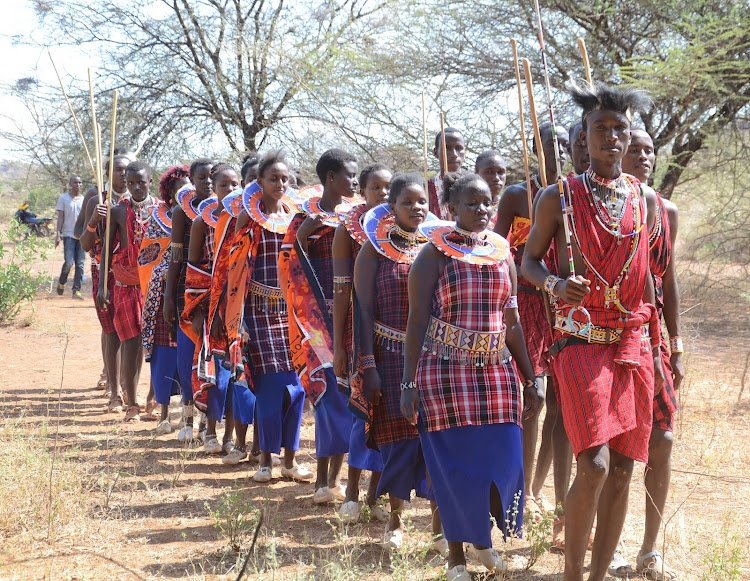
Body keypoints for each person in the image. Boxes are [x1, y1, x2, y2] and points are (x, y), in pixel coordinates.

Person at [522, 82, 666, 581]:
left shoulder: (646, 200)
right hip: (580, 341)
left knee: (624, 468)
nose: (609, 138)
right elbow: (529, 262)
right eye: (599, 129)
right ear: (584, 136)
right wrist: (556, 283)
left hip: (631, 343)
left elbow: (652, 276)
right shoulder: (556, 197)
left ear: (629, 138)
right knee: (596, 466)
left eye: (618, 130)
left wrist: (667, 342)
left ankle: (599, 576)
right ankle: (571, 576)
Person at [401, 173, 543, 580]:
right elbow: (415, 322)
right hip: (445, 373)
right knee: (455, 468)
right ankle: (457, 558)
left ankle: (484, 540)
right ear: (451, 209)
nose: (481, 211)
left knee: (502, 458)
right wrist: (408, 385)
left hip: (496, 372)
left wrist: (530, 378)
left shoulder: (502, 253)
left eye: (487, 203)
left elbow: (512, 321)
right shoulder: (433, 256)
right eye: (471, 204)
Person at [607, 129, 683, 580]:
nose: (642, 156)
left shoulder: (664, 210)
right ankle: (607, 547)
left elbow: (668, 282)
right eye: (634, 149)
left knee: (664, 439)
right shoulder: (597, 206)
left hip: (651, 337)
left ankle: (649, 549)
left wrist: (676, 345)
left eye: (649, 150)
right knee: (613, 453)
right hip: (607, 336)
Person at [354, 173, 437, 550]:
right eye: (408, 202)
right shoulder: (373, 249)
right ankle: (396, 521)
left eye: (422, 202)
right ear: (392, 207)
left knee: (436, 440)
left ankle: (440, 527)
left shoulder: (440, 247)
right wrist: (367, 364)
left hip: (434, 358)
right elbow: (363, 310)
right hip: (388, 356)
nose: (416, 208)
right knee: (399, 442)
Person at [493, 123, 568, 521]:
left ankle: (538, 489)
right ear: (534, 150)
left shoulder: (574, 195)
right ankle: (519, 490)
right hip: (524, 305)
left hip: (565, 307)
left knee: (559, 402)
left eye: (559, 146)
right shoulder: (517, 195)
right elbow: (495, 250)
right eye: (545, 146)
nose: (554, 153)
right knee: (532, 398)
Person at [226, 150, 313, 483]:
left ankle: (290, 461)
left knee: (298, 387)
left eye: (284, 179)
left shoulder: (295, 217)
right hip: (257, 314)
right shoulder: (247, 218)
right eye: (273, 178)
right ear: (259, 182)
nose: (280, 183)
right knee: (270, 386)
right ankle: (266, 461)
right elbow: (236, 271)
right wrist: (240, 318)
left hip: (290, 313)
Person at [278, 148, 358, 504]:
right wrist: (302, 239)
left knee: (344, 394)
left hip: (347, 317)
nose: (354, 182)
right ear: (329, 179)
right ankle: (321, 482)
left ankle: (333, 480)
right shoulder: (303, 218)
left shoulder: (358, 219)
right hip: (313, 321)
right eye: (348, 176)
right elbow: (286, 266)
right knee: (327, 394)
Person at [332, 163, 391, 524]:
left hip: (399, 331)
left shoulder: (408, 230)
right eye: (375, 188)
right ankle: (352, 491)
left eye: (388, 189)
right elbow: (341, 292)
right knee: (361, 407)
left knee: (392, 412)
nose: (382, 195)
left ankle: (376, 495)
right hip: (359, 330)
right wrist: (339, 345)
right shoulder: (348, 231)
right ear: (363, 191)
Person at [181, 163, 239, 455]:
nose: (230, 190)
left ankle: (231, 434)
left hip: (239, 304)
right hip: (209, 305)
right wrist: (203, 311)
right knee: (215, 371)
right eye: (224, 186)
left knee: (237, 371)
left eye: (234, 185)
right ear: (213, 189)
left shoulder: (245, 219)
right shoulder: (202, 222)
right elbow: (193, 271)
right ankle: (212, 431)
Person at [95, 160, 159, 421]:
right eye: (131, 183)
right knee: (130, 342)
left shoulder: (162, 210)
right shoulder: (119, 211)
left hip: (155, 285)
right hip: (126, 284)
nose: (136, 187)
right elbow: (106, 250)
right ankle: (131, 402)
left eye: (141, 182)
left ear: (150, 182)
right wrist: (101, 287)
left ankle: (154, 399)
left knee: (157, 344)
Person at [164, 158, 215, 441]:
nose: (207, 183)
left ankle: (209, 423)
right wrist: (169, 297)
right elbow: (175, 257)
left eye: (211, 178)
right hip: (189, 287)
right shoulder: (182, 213)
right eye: (201, 178)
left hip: (218, 288)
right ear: (191, 182)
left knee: (212, 356)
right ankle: (186, 418)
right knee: (186, 353)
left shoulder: (226, 211)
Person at [79, 153, 134, 410]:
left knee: (132, 334)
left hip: (131, 276)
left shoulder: (139, 202)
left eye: (127, 170)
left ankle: (128, 387)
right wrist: (93, 221)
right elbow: (85, 244)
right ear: (108, 173)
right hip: (104, 274)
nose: (123, 175)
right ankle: (113, 389)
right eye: (118, 170)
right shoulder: (96, 201)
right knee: (111, 330)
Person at [143, 165, 190, 435]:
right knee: (164, 354)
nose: (185, 193)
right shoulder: (157, 219)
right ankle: (162, 414)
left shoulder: (200, 216)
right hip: (161, 295)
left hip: (190, 290)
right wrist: (163, 274)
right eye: (179, 189)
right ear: (170, 195)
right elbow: (146, 259)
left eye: (188, 188)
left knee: (187, 355)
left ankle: (187, 415)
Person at [56, 175, 86, 299]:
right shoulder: (63, 199)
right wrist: (58, 233)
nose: (78, 185)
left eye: (80, 182)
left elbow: (86, 218)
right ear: (70, 184)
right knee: (69, 262)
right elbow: (61, 217)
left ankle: (76, 290)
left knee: (80, 264)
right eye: (75, 182)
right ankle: (62, 281)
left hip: (82, 236)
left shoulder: (84, 200)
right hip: (68, 234)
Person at [428, 127, 465, 219]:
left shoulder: (475, 187)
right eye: (447, 148)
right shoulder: (425, 189)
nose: (454, 154)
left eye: (459, 148)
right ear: (436, 152)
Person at [474, 150, 507, 227]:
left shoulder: (509, 207)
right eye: (489, 172)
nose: (496, 178)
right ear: (476, 174)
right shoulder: (468, 208)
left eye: (500, 172)